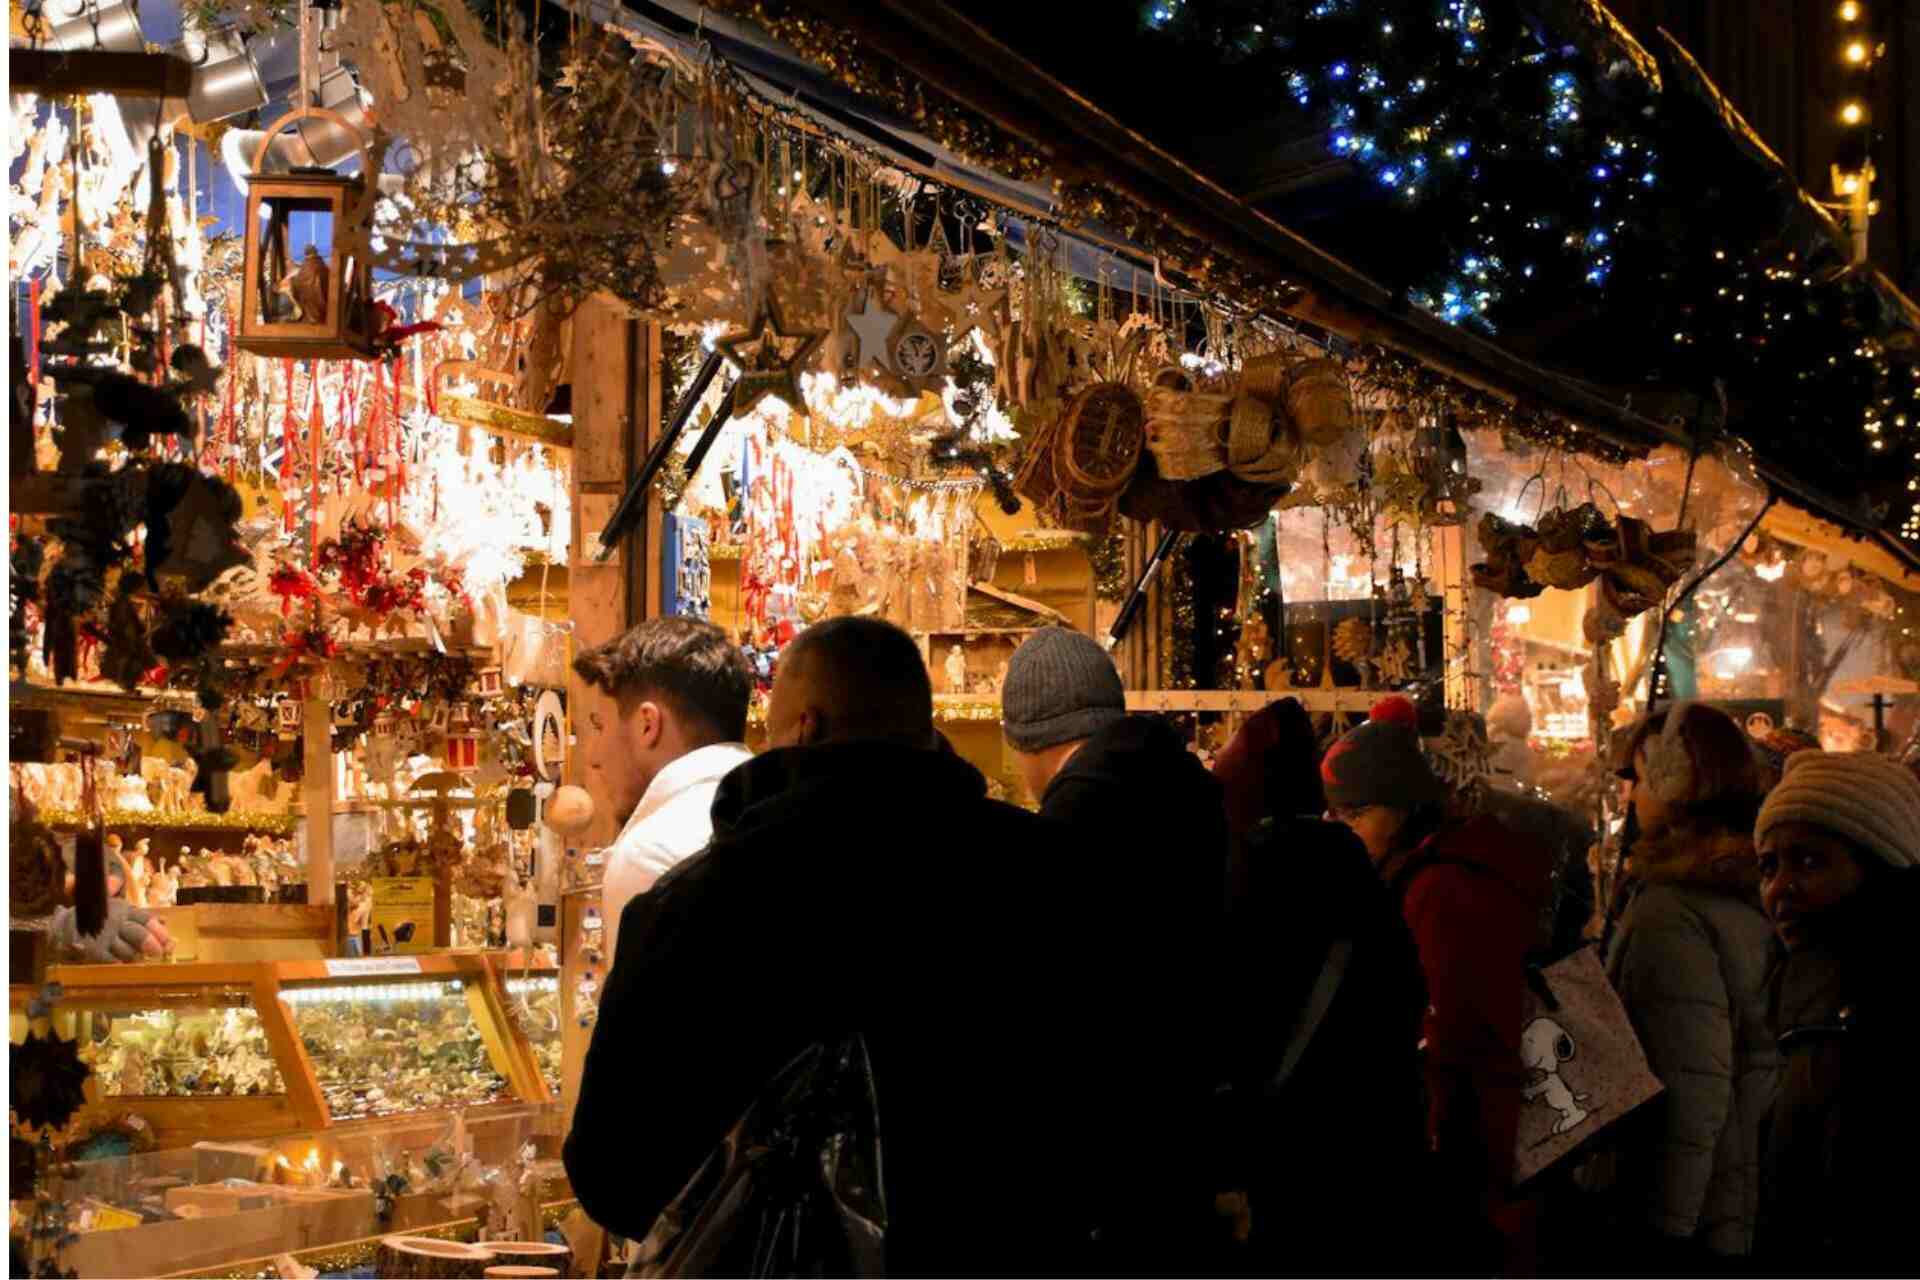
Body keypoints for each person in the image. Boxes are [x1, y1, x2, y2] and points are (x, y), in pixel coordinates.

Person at [565, 618, 1146, 1273]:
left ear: (805, 728)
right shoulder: (1051, 877)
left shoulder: (695, 906)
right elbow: (1124, 1111)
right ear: (923, 729)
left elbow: (611, 1174)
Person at [997, 625, 1227, 1268]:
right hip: (1187, 1136)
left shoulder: (1072, 827)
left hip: (1108, 1171)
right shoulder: (1183, 788)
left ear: (1026, 740)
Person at [1322, 695, 1551, 1274]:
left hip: (1477, 1167)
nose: (1341, 830)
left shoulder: (1443, 891)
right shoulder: (1429, 871)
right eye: (1334, 815)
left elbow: (1459, 1042)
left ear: (1401, 809)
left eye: (1355, 815)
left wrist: (1436, 1160)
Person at [1213, 698, 1431, 1274]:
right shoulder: (1365, 881)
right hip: (1376, 1166)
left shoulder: (1243, 883)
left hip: (1285, 1173)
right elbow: (1404, 1002)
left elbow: (1229, 1034)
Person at [1601, 703, 1779, 1265]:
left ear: (1673, 781)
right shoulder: (1750, 884)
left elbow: (1691, 1082)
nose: (1630, 797)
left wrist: (1665, 1227)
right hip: (1743, 1182)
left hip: (1693, 1204)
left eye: (1637, 778)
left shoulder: (1674, 910)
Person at [1753, 751, 1920, 1272]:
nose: (1781, 888)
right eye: (1768, 866)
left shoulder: (1890, 1000)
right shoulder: (1807, 982)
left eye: (1810, 861)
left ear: (1878, 867)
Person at [571, 617, 753, 970]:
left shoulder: (650, 856)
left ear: (647, 725)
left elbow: (646, 1024)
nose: (592, 757)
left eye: (599, 726)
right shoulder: (777, 809)